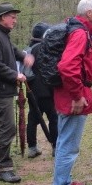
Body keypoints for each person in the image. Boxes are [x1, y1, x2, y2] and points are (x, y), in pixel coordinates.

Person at [50, 0, 92, 185]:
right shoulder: (79, 33)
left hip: (67, 95)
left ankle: (64, 182)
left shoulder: (74, 29)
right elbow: (67, 66)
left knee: (65, 141)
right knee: (68, 145)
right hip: (72, 97)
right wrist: (77, 96)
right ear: (89, 12)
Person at [0, 2, 34, 183]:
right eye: (13, 16)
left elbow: (11, 50)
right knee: (8, 127)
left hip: (0, 89)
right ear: (2, 17)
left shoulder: (1, 35)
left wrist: (23, 56)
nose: (15, 20)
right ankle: (4, 167)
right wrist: (15, 75)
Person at [25, 22, 57, 159]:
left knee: (33, 118)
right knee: (53, 119)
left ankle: (32, 148)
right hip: (48, 91)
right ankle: (56, 146)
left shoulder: (27, 50)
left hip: (32, 91)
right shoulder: (46, 48)